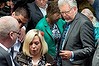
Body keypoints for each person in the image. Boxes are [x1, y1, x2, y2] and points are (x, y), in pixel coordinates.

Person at [58, 0, 95, 66]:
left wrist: (72, 54)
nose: (64, 15)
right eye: (62, 12)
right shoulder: (68, 20)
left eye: (66, 12)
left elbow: (90, 49)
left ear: (74, 9)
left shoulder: (83, 23)